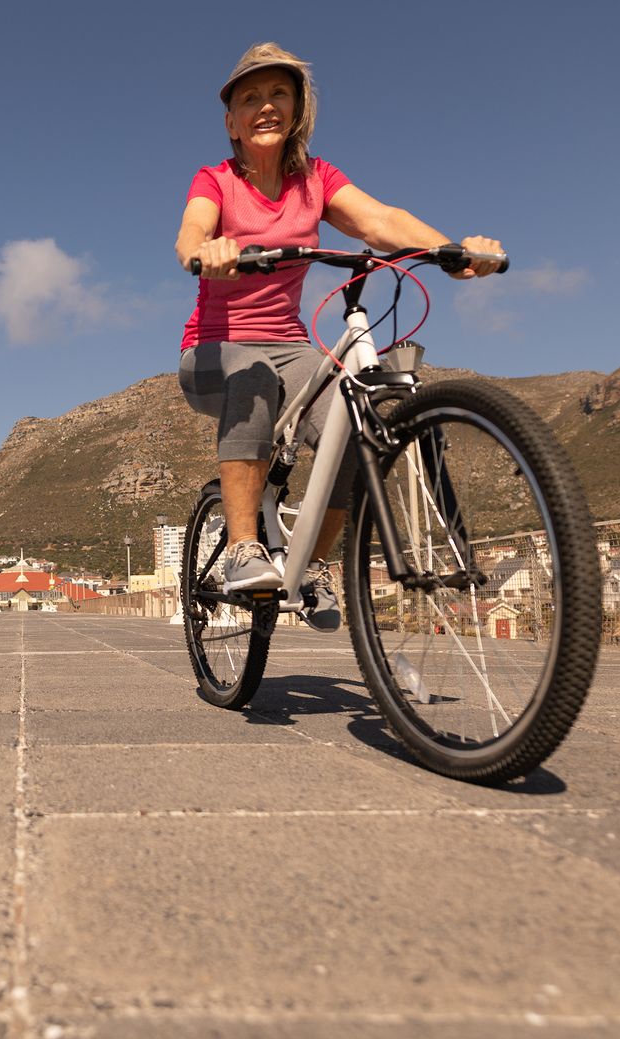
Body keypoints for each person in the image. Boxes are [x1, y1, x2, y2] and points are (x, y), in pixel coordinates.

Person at [175, 42, 503, 631]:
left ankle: (315, 566)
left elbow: (380, 222)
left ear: (299, 108)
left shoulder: (315, 179)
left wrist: (450, 251)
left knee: (358, 422)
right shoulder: (216, 181)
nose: (265, 106)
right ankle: (245, 550)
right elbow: (191, 231)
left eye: (279, 93)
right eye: (250, 98)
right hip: (213, 352)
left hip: (289, 348)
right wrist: (208, 250)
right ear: (231, 121)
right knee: (252, 380)